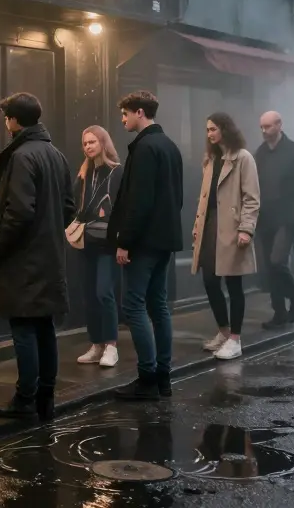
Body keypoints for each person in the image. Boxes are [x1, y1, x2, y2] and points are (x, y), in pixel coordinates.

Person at [0, 92, 75, 422]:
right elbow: (69, 208)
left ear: (15, 121)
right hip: (49, 255)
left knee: (23, 327)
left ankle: (25, 398)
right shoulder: (55, 154)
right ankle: (45, 398)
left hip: (24, 259)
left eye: (6, 116)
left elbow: (19, 212)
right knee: (44, 327)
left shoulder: (22, 156)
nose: (5, 122)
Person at [107, 90, 184, 401]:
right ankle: (163, 378)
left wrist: (125, 241)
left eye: (126, 113)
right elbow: (176, 197)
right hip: (164, 239)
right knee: (158, 305)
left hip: (143, 241)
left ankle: (147, 377)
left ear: (140, 112)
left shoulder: (144, 148)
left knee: (133, 307)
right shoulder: (169, 146)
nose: (123, 118)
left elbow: (138, 202)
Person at [192, 113, 261, 361]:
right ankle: (223, 331)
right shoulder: (210, 159)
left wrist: (246, 228)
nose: (209, 134)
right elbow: (204, 197)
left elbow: (251, 198)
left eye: (213, 129)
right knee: (210, 280)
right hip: (211, 225)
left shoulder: (243, 158)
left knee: (233, 283)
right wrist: (197, 225)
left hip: (232, 227)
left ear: (224, 129)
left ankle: (235, 338)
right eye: (207, 129)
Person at [254, 111, 294, 330]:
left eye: (268, 127)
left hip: (286, 218)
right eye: (261, 127)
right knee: (268, 268)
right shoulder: (259, 154)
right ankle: (279, 311)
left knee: (277, 261)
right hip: (264, 218)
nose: (264, 131)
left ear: (279, 125)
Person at [72, 126, 124, 368]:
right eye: (85, 143)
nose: (88, 146)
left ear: (103, 143)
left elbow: (122, 208)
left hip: (107, 242)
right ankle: (96, 344)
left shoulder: (116, 172)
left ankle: (111, 345)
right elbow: (74, 204)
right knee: (89, 295)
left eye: (93, 142)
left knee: (105, 293)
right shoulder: (84, 173)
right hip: (86, 242)